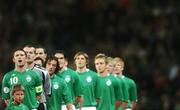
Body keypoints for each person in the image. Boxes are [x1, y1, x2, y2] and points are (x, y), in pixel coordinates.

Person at [23, 45, 51, 110]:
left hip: (39, 105)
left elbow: (47, 92)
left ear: (35, 55)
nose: (28, 54)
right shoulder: (16, 73)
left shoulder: (43, 71)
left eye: (31, 53)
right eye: (26, 52)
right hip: (22, 104)